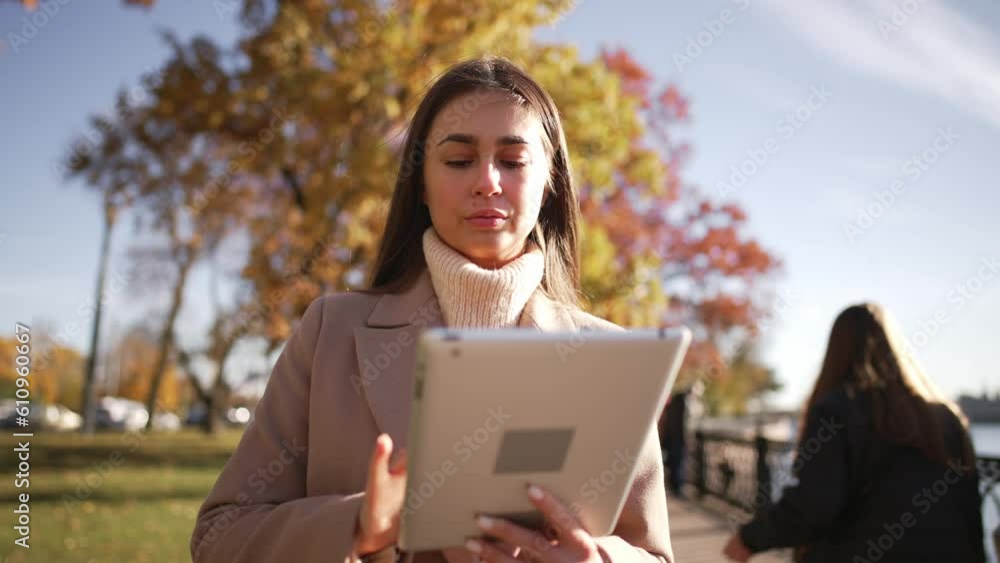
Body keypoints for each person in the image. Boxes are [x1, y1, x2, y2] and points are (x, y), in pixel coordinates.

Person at [190, 56, 674, 563]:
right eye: (459, 160)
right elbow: (220, 536)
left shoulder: (611, 357)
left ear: (549, 179)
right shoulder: (330, 332)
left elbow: (654, 556)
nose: (487, 181)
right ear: (420, 182)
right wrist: (357, 528)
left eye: (513, 161)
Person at [722, 303, 986, 562]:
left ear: (836, 351)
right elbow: (970, 515)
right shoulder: (947, 417)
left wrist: (750, 538)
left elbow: (814, 504)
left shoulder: (838, 409)